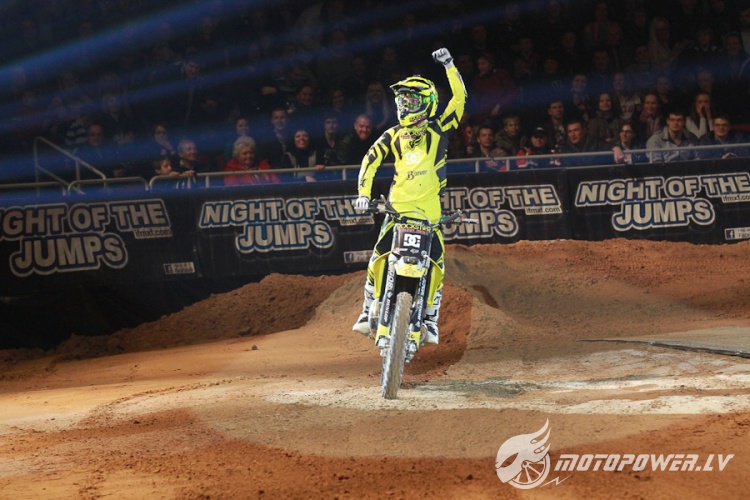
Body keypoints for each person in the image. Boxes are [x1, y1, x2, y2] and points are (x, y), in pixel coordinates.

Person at [352, 47, 467, 350]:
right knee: (377, 257)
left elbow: (459, 100)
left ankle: (430, 318)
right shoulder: (392, 135)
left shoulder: (440, 130)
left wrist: (449, 65)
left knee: (438, 265)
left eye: (412, 101)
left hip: (429, 215)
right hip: (396, 212)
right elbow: (370, 160)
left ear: (427, 103)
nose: (406, 106)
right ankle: (367, 309)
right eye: (402, 101)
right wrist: (363, 195)